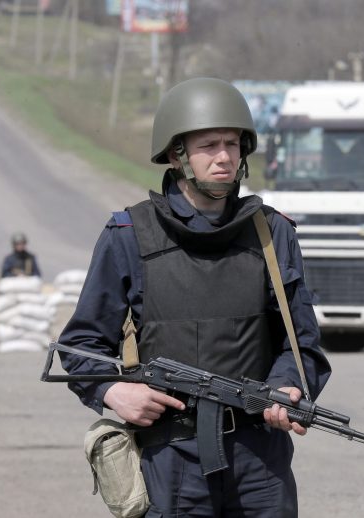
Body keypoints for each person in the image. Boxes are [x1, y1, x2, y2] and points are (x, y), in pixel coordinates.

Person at [58, 77, 331, 517]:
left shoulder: (273, 233)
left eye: (232, 144)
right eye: (208, 145)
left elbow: (302, 347)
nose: (224, 157)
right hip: (169, 458)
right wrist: (113, 391)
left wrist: (289, 387)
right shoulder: (128, 235)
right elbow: (80, 346)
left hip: (260, 460)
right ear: (175, 153)